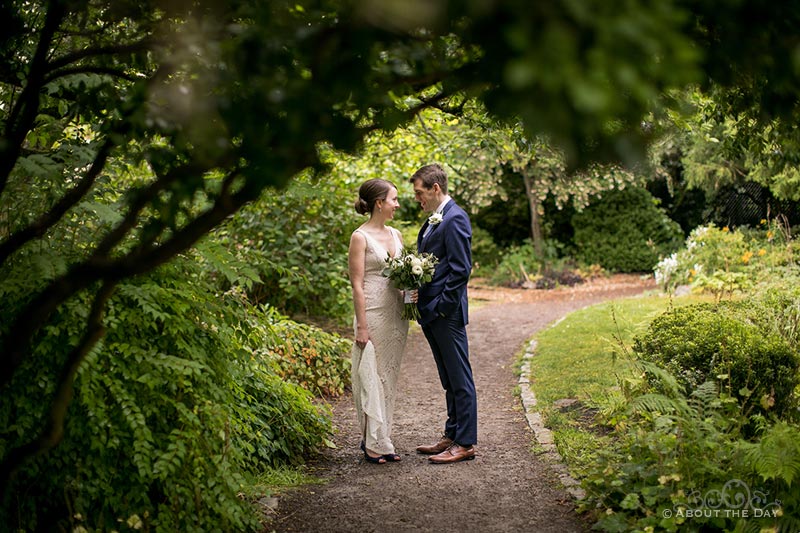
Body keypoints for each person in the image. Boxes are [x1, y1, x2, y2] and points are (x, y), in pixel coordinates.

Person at [410, 163, 478, 464]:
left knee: (460, 377)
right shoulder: (434, 220)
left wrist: (441, 307)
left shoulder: (456, 218)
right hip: (431, 311)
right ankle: (451, 434)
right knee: (448, 378)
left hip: (445, 313)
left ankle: (465, 443)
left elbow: (462, 269)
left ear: (435, 188)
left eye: (419, 192)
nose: (417, 198)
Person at [348, 178, 409, 464]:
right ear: (379, 203)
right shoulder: (359, 237)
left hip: (396, 315)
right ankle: (371, 442)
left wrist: (411, 294)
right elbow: (357, 284)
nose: (397, 204)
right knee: (370, 375)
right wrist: (362, 325)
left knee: (388, 378)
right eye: (393, 199)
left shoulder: (396, 234)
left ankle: (382, 438)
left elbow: (401, 277)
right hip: (371, 314)